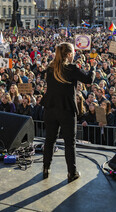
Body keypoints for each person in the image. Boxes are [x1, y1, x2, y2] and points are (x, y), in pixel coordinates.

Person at [41, 42, 96, 182]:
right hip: (66, 109)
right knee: (69, 143)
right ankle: (72, 173)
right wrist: (93, 68)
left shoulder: (50, 68)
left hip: (50, 108)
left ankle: (46, 168)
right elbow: (88, 79)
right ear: (70, 54)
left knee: (49, 140)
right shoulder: (71, 69)